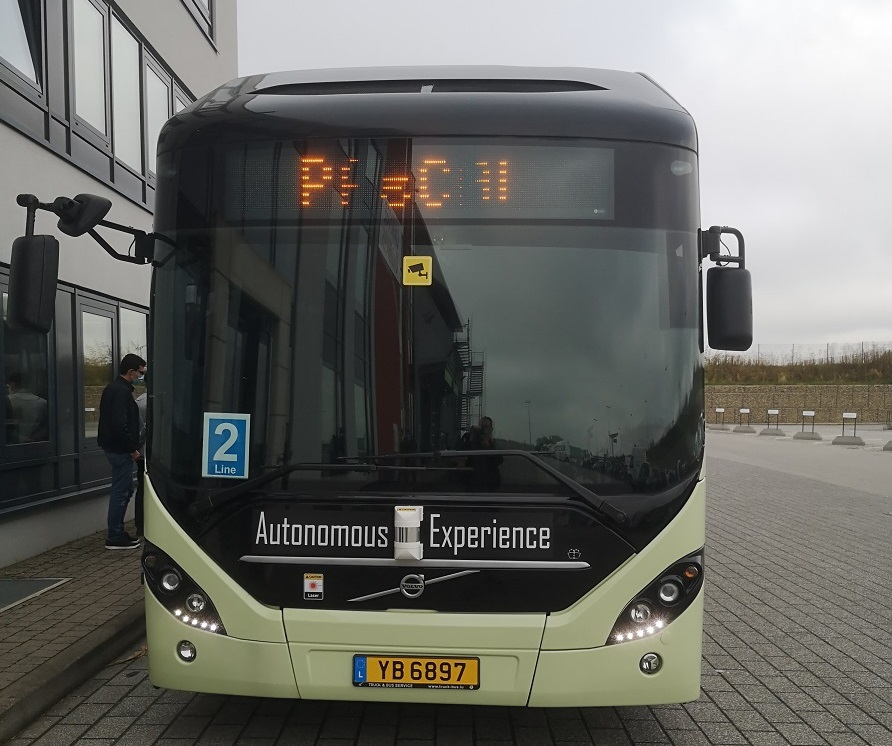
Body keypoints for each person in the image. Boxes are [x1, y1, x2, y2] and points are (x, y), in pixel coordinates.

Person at [97, 354, 146, 550]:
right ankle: (115, 535)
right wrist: (132, 449)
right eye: (141, 372)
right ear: (131, 371)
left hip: (114, 447)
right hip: (120, 450)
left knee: (123, 490)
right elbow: (119, 423)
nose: (141, 376)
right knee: (122, 490)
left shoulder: (114, 389)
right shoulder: (121, 392)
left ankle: (117, 532)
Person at [456, 416, 503, 490]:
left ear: (491, 429)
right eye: (482, 427)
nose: (483, 430)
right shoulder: (470, 441)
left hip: (491, 483)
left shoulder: (494, 443)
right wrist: (470, 436)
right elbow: (459, 454)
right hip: (472, 482)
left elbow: (499, 460)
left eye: (486, 427)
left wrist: (488, 447)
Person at [6, 373, 48, 443]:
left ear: (12, 384)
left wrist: (21, 439)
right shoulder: (43, 402)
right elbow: (46, 428)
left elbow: (7, 428)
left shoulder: (7, 401)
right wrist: (35, 438)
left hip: (11, 445)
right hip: (38, 445)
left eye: (8, 385)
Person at [134, 388, 147, 536]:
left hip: (141, 452)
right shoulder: (152, 400)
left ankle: (140, 525)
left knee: (142, 488)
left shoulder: (139, 400)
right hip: (150, 452)